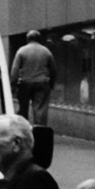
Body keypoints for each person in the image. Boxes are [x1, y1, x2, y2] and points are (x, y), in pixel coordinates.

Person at [8, 39, 57, 171]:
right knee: (40, 107)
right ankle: (40, 132)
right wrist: (51, 83)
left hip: (25, 83)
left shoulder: (22, 50)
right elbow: (52, 69)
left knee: (23, 108)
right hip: (42, 82)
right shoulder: (46, 51)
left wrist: (12, 84)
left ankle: (23, 130)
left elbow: (15, 68)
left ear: (28, 39)